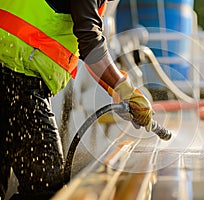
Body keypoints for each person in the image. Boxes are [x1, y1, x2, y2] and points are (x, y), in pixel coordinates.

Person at [0, 0, 153, 199]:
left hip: (13, 73)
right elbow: (89, 40)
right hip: (15, 77)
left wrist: (115, 90)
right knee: (45, 186)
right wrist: (123, 88)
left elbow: (86, 45)